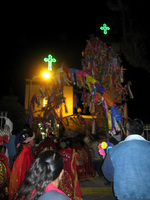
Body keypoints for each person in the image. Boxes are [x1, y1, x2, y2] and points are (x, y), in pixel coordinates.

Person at [102, 118, 150, 200]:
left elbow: (108, 173)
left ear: (127, 132)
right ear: (142, 133)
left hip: (124, 194)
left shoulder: (114, 150)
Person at [9, 129, 35, 200]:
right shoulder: (26, 153)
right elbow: (24, 173)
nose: (34, 141)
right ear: (29, 141)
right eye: (33, 139)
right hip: (23, 187)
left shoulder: (24, 150)